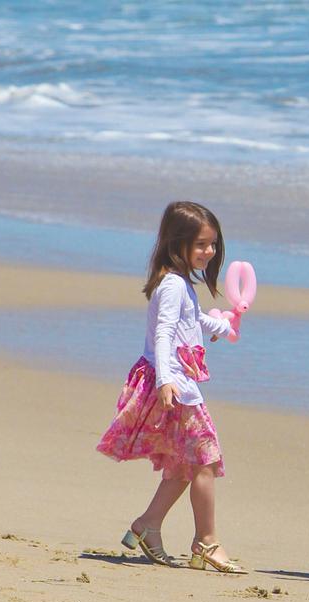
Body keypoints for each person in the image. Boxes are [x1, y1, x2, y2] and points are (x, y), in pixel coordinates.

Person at [97, 201, 246, 574]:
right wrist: (165, 380)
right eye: (200, 244)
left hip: (178, 383)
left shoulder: (180, 284)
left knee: (182, 466)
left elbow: (192, 319)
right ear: (176, 242)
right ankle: (206, 541)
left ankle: (147, 525)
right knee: (206, 461)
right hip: (176, 387)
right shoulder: (173, 285)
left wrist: (223, 327)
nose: (209, 252)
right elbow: (164, 333)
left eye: (212, 244)